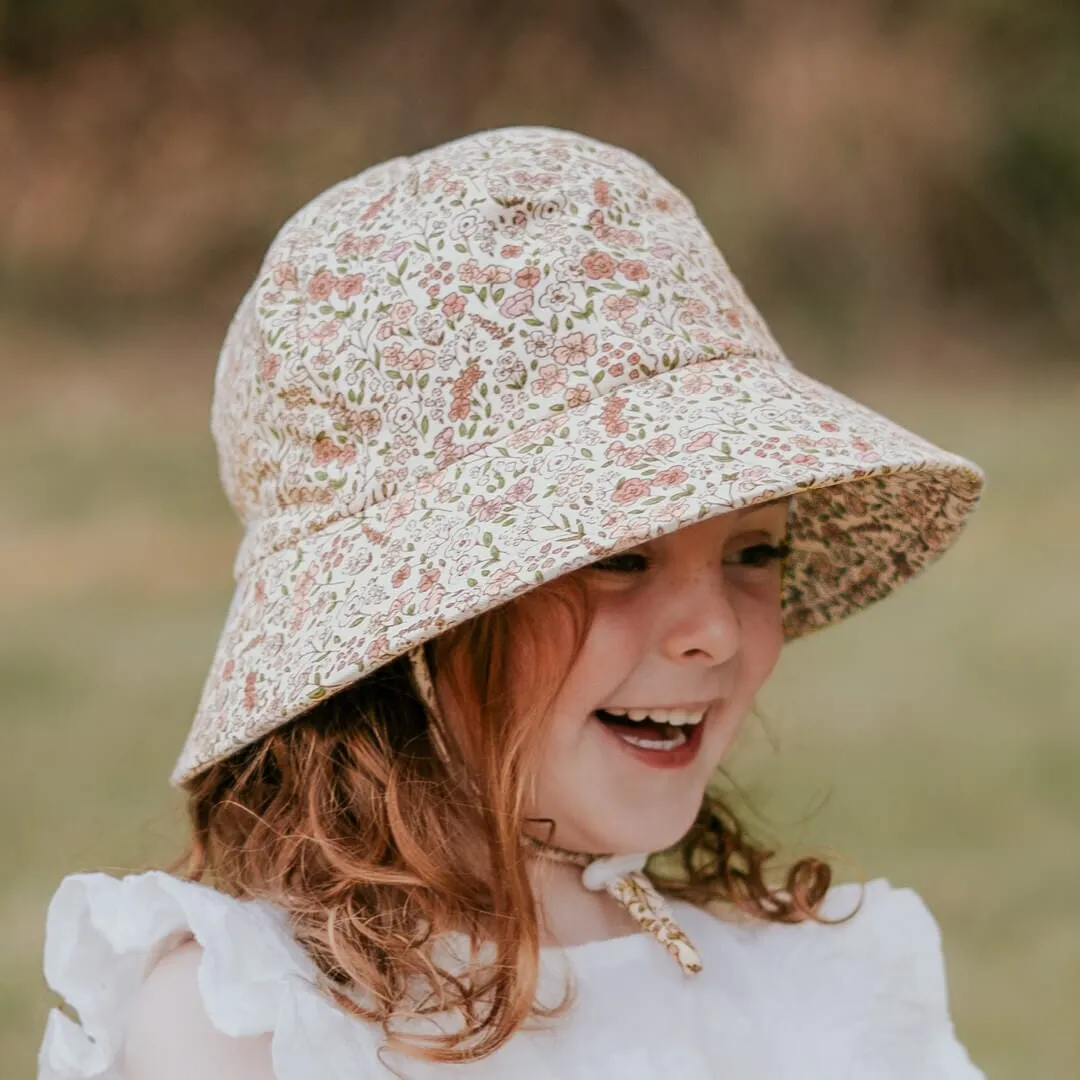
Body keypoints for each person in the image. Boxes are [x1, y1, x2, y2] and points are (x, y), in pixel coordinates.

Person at [37, 126, 987, 1079]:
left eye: (756, 550)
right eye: (618, 558)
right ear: (406, 627)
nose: (713, 631)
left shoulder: (811, 999)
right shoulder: (253, 1022)